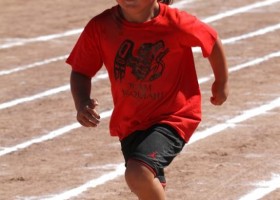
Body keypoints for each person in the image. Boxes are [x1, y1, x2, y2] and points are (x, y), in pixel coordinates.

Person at [66, 0, 229, 199]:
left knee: (138, 173)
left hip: (174, 117)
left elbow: (211, 40)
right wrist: (82, 102)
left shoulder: (175, 22)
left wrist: (221, 83)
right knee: (148, 184)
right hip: (130, 123)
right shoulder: (102, 27)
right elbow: (81, 71)